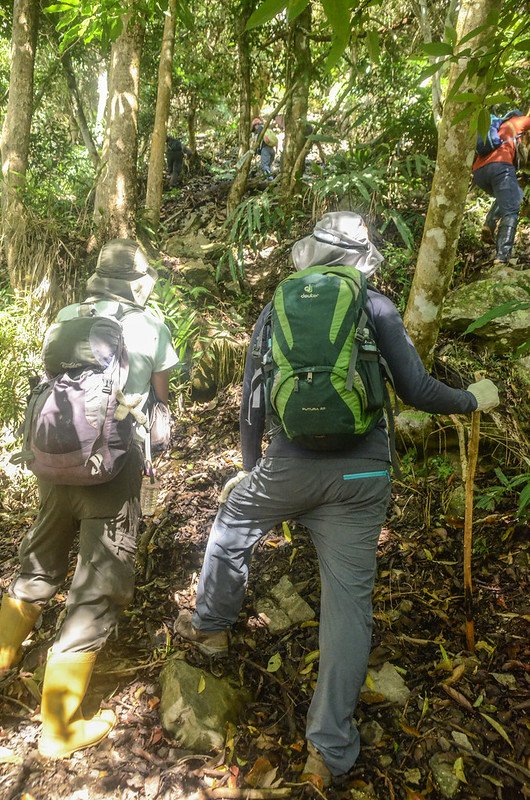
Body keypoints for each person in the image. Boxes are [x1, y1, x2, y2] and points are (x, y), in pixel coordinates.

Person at [174, 212, 500, 786]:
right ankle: (328, 751)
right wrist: (472, 399)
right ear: (362, 259)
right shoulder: (375, 307)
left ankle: (212, 627)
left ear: (311, 254)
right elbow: (417, 389)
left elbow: (253, 405)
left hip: (288, 467)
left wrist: (255, 472)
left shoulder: (275, 309)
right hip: (361, 478)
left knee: (232, 521)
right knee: (347, 605)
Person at [0, 239, 179, 759]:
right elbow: (162, 396)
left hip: (56, 463)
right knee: (96, 587)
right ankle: (58, 729)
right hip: (113, 471)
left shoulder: (68, 314)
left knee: (36, 565)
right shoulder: (151, 325)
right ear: (141, 281)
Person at [472, 111, 530, 263]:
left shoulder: (497, 127)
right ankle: (502, 256)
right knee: (511, 210)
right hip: (500, 166)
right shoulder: (518, 122)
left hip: (479, 172)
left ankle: (489, 224)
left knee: (514, 194)